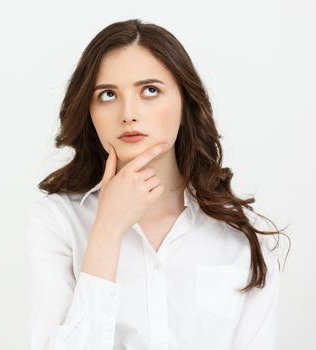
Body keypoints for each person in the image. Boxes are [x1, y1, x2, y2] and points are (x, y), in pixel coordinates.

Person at [21, 18, 289, 350]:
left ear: (184, 102)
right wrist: (108, 229)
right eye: (107, 95)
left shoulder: (242, 236)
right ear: (88, 111)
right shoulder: (58, 222)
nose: (128, 113)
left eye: (150, 90)